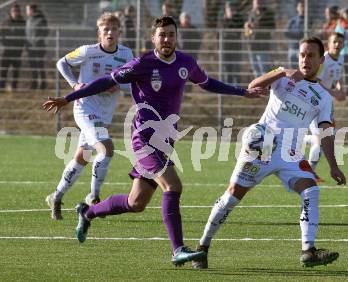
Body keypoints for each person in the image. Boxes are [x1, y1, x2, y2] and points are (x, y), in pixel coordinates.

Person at [42, 16, 267, 266]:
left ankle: (88, 211)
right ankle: (178, 250)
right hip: (144, 139)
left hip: (165, 141)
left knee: (135, 202)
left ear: (176, 36)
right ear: (154, 38)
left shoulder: (186, 62)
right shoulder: (142, 63)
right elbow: (106, 81)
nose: (167, 39)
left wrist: (242, 91)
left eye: (171, 34)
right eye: (162, 35)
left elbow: (208, 82)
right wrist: (69, 96)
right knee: (173, 187)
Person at [192, 37, 346, 269]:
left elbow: (325, 132)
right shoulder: (283, 77)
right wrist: (281, 72)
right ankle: (202, 248)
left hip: (291, 155)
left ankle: (308, 250)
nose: (306, 59)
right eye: (302, 55)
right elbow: (255, 85)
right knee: (232, 196)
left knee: (311, 190)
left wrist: (333, 166)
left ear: (321, 59)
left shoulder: (323, 97)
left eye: (311, 55)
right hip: (263, 146)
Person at [45, 13, 133, 220]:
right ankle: (93, 197)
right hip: (85, 108)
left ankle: (56, 196)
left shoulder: (126, 54)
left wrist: (119, 85)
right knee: (107, 148)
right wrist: (75, 84)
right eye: (106, 29)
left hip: (104, 112)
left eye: (114, 29)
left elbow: (131, 82)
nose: (110, 32)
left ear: (120, 32)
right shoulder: (88, 51)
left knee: (82, 157)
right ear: (99, 33)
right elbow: (62, 63)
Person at [304, 32, 346, 173]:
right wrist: (334, 92)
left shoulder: (340, 59)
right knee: (323, 138)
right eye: (334, 42)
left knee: (324, 137)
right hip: (314, 99)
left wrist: (341, 89)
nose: (337, 45)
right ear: (328, 44)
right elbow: (316, 81)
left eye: (340, 42)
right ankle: (310, 172)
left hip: (324, 101)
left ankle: (310, 172)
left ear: (344, 45)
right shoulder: (323, 60)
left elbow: (337, 77)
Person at [244, 0, 275, 76]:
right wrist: (246, 26)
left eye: (259, 1)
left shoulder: (268, 13)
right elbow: (248, 28)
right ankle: (258, 87)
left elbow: (272, 27)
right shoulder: (251, 13)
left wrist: (257, 26)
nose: (257, 3)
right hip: (252, 45)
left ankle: (265, 87)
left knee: (264, 68)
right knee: (255, 68)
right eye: (256, 1)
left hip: (263, 45)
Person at [0, 3, 26, 92]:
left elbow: (25, 36)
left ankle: (13, 87)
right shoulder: (5, 22)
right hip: (6, 51)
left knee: (16, 71)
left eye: (17, 11)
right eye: (14, 11)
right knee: (3, 70)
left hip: (17, 51)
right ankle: (1, 87)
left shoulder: (23, 23)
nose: (15, 13)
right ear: (10, 12)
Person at [25, 3, 48, 90]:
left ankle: (43, 84)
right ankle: (34, 83)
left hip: (39, 47)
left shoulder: (41, 19)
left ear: (31, 10)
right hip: (30, 48)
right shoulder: (29, 20)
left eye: (27, 10)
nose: (26, 12)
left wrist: (37, 41)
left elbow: (45, 32)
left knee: (40, 65)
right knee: (33, 66)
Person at [220, 1, 244, 85]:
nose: (231, 10)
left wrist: (233, 18)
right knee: (227, 67)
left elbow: (241, 29)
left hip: (236, 47)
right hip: (225, 48)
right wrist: (227, 18)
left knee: (236, 67)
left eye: (233, 8)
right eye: (229, 8)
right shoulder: (222, 20)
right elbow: (219, 33)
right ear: (226, 10)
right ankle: (228, 86)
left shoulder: (239, 18)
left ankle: (237, 85)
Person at [285, 0, 306, 68]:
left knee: (302, 69)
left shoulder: (307, 20)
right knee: (292, 71)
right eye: (300, 6)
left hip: (302, 49)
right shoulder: (292, 20)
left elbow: (303, 33)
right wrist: (297, 33)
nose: (302, 8)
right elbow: (286, 33)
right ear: (297, 8)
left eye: (303, 6)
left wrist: (293, 33)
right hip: (292, 48)